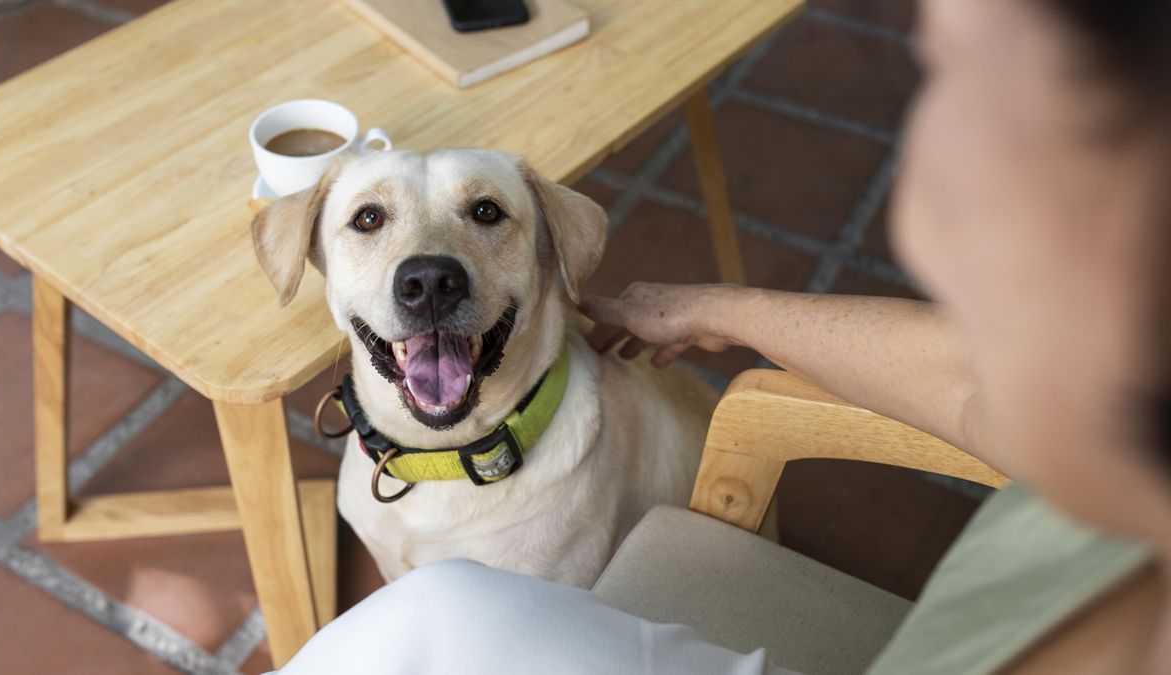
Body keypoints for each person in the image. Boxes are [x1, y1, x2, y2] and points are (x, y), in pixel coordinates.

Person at [276, 0, 1171, 672]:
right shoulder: (1091, 424)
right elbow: (971, 387)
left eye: (950, 67)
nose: (428, 266)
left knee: (430, 620)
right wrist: (721, 311)